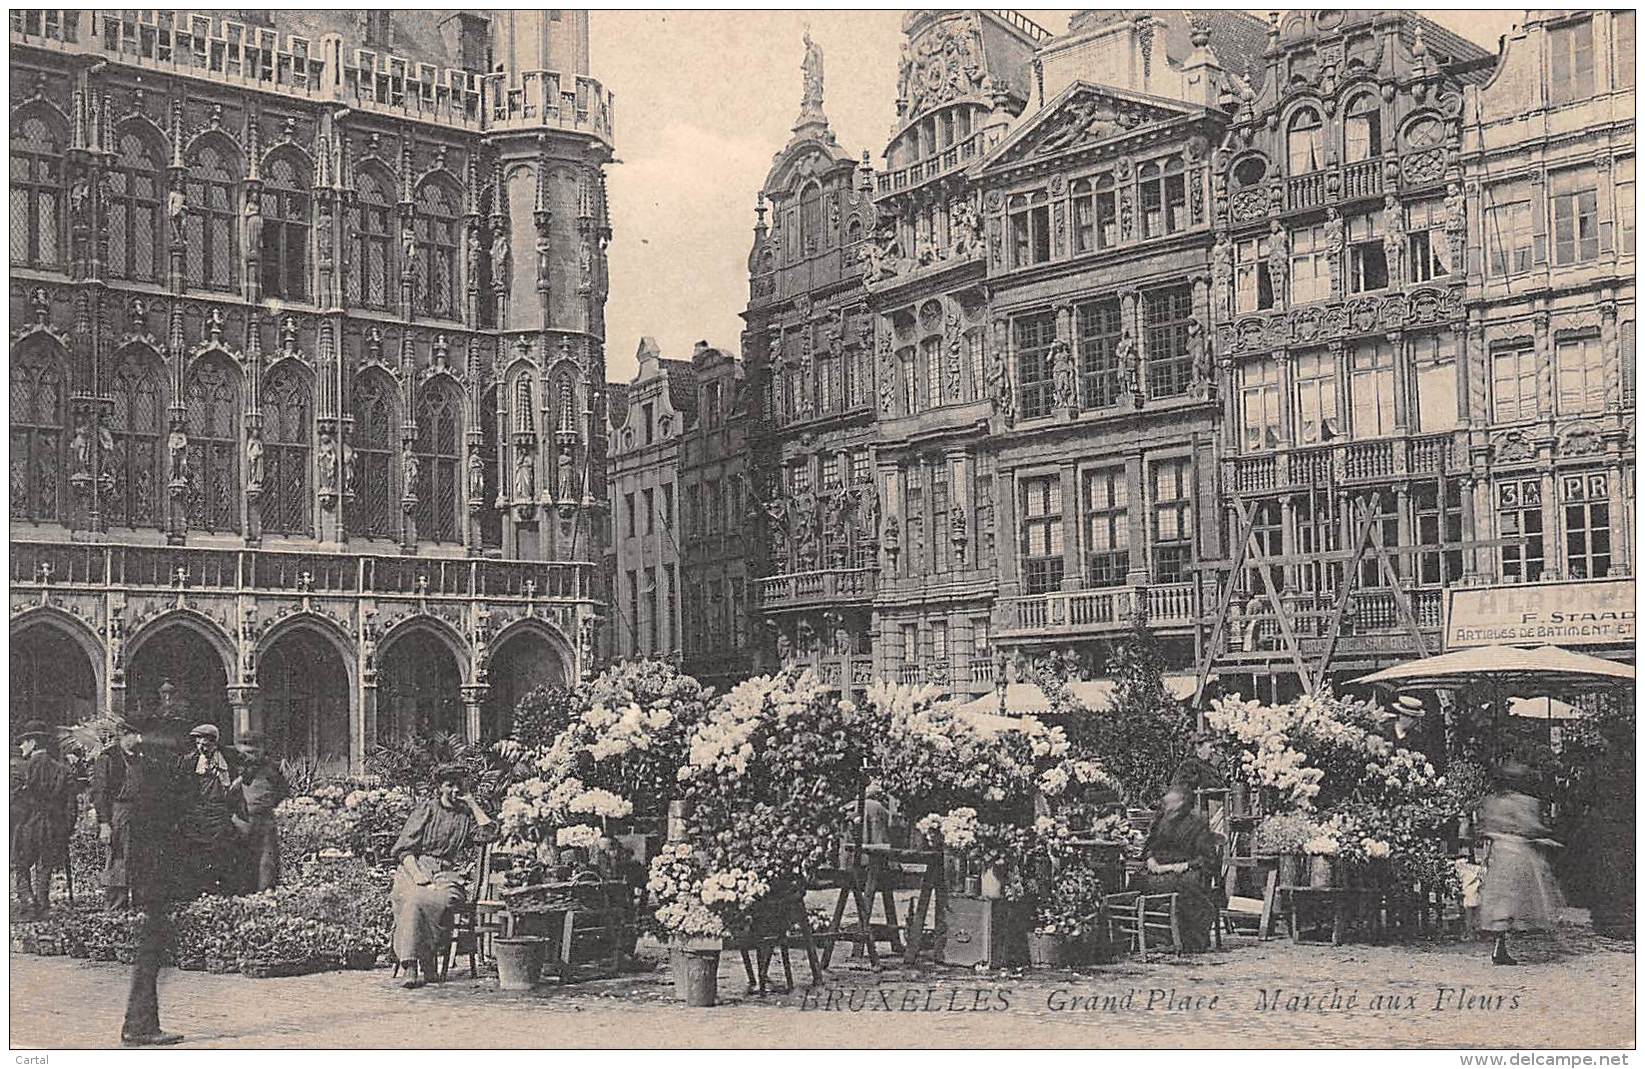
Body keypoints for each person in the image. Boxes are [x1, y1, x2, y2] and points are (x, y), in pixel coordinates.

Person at [117, 715, 190, 1047]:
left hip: (152, 872)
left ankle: (143, 1022)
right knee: (151, 948)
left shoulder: (147, 774)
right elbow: (160, 827)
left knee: (153, 948)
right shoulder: (154, 778)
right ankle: (140, 1025)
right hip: (154, 873)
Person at [388, 764, 495, 988]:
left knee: (441, 899)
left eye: (459, 784)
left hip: (446, 874)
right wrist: (417, 876)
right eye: (450, 784)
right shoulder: (426, 809)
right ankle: (412, 965)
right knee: (412, 898)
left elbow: (490, 833)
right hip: (415, 868)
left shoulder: (466, 816)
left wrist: (472, 802)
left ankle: (427, 961)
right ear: (440, 787)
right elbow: (404, 849)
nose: (455, 789)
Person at [1479, 760, 1565, 966]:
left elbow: (1488, 827)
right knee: (1526, 895)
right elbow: (1530, 827)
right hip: (1518, 852)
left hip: (1499, 851)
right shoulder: (1525, 802)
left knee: (1503, 899)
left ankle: (1500, 947)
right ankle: (1512, 944)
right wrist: (1545, 835)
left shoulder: (1493, 802)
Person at [1137, 785, 1222, 952]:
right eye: (1166, 805)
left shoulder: (1197, 825)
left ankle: (1185, 938)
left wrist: (1183, 866)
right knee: (1137, 881)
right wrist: (1150, 859)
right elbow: (1149, 846)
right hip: (1159, 870)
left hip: (1185, 872)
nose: (1167, 808)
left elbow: (1208, 859)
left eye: (1171, 804)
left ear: (1182, 804)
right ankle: (1149, 935)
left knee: (1184, 888)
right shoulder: (1160, 821)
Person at [12, 720, 79, 919]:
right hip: (52, 825)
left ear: (33, 743)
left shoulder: (17, 769)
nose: (21, 746)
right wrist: (66, 829)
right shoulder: (62, 769)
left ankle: (28, 901)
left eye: (24, 742)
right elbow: (71, 805)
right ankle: (42, 903)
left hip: (25, 824)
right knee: (45, 866)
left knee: (20, 866)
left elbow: (10, 800)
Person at [172, 723, 243, 897]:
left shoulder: (229, 756)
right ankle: (200, 888)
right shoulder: (190, 761)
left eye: (205, 744)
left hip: (222, 811)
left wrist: (238, 783)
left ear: (214, 743)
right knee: (198, 850)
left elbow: (250, 768)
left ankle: (223, 889)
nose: (201, 748)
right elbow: (180, 787)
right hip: (199, 811)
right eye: (198, 744)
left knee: (223, 849)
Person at [92, 720, 147, 909]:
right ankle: (116, 903)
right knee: (118, 856)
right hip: (117, 811)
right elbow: (99, 792)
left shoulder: (140, 756)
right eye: (136, 735)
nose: (140, 739)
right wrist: (104, 823)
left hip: (139, 811)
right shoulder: (108, 757)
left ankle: (140, 901)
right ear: (124, 734)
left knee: (139, 854)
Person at [230, 733, 289, 894]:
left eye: (254, 752)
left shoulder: (271, 769)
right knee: (241, 859)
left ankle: (265, 894)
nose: (250, 756)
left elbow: (282, 792)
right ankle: (240, 894)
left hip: (264, 820)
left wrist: (265, 806)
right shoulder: (232, 768)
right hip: (240, 821)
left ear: (262, 751)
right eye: (246, 752)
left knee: (266, 860)